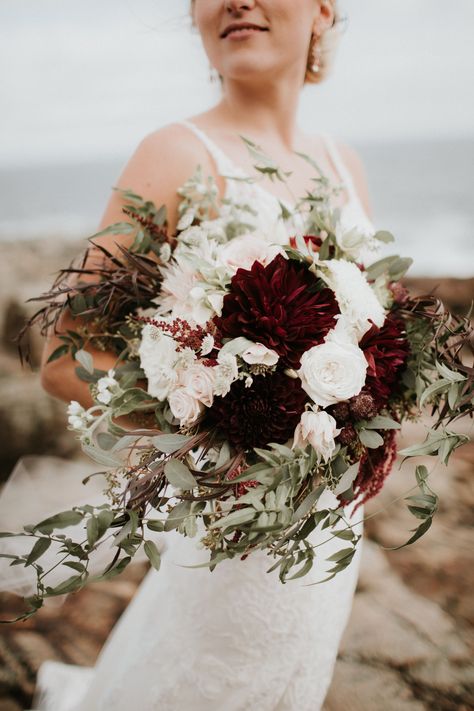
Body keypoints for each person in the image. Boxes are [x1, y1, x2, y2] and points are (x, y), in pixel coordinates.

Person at [10, 1, 376, 708]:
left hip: (332, 526)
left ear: (323, 11)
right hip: (226, 526)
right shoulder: (174, 154)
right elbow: (64, 357)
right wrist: (213, 427)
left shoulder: (345, 165)